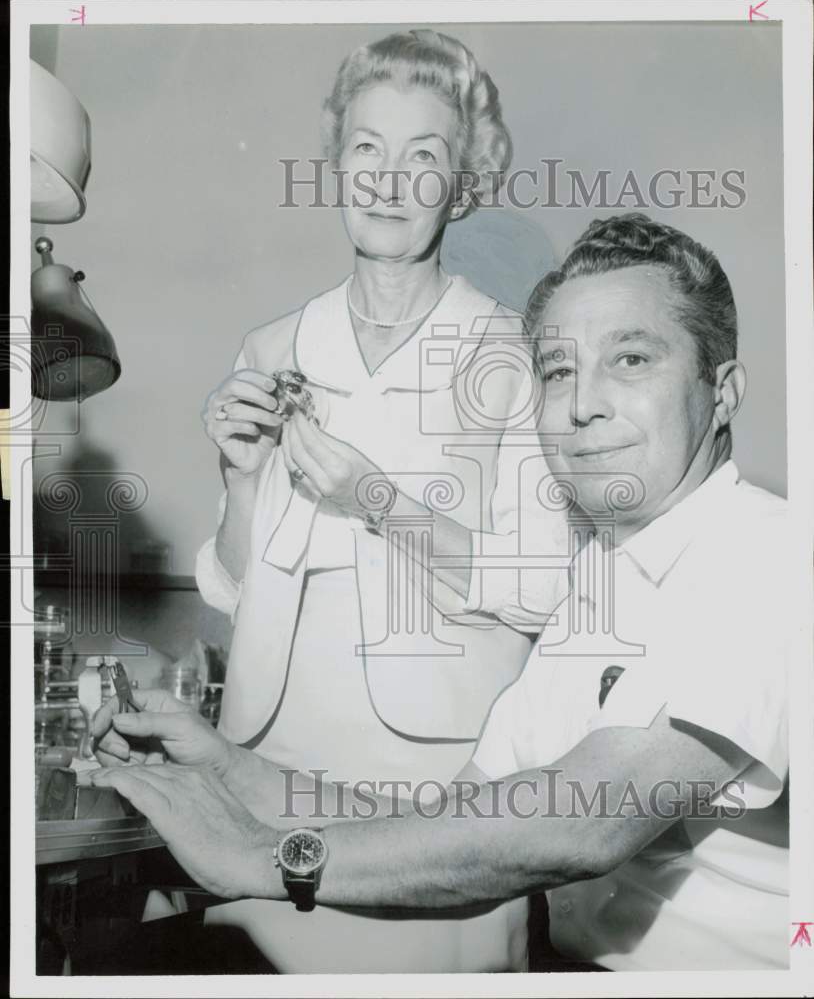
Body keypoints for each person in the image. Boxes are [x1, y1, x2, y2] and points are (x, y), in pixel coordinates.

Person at [95, 213, 791, 972]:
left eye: (630, 359)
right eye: (558, 370)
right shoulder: (598, 584)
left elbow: (578, 826)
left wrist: (262, 857)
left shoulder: (769, 554)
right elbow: (457, 821)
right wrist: (226, 767)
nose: (582, 404)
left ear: (721, 392)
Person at [192, 29, 568, 971]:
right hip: (265, 753)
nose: (389, 181)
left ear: (463, 181)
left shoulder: (511, 356)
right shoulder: (271, 345)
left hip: (429, 782)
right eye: (367, 149)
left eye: (423, 156)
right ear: (335, 165)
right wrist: (240, 478)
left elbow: (539, 587)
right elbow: (239, 588)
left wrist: (375, 498)